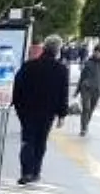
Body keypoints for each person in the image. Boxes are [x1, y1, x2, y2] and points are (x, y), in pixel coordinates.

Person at [12, 34, 70, 185]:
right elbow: (63, 93)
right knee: (41, 141)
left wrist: (17, 105)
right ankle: (36, 172)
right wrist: (62, 115)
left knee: (28, 140)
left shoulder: (29, 66)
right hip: (47, 112)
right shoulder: (61, 70)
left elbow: (17, 87)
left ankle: (26, 172)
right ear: (57, 51)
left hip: (27, 111)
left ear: (44, 48)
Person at [76, 43, 100, 135]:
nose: (97, 54)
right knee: (86, 108)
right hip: (86, 88)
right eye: (96, 52)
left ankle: (86, 124)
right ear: (93, 52)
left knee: (91, 109)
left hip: (97, 90)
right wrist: (77, 90)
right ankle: (83, 128)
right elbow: (82, 77)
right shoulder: (88, 62)